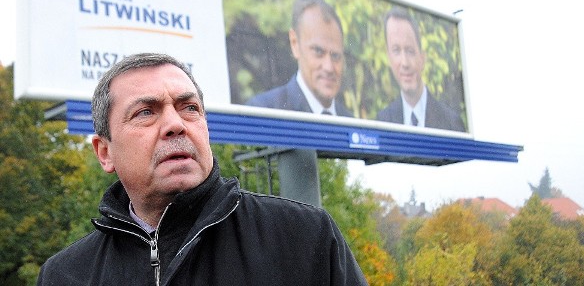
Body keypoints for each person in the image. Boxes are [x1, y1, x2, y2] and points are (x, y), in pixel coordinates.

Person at [37, 53, 367, 285]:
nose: (174, 124)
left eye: (189, 108)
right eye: (145, 112)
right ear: (105, 152)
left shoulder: (305, 236)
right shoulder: (65, 275)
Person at [247, 0, 352, 117]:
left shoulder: (353, 124)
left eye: (335, 56)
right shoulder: (264, 114)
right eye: (318, 51)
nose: (329, 67)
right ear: (295, 44)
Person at [377, 7, 466, 132]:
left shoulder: (452, 123)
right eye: (396, 50)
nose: (405, 63)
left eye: (410, 51)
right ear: (389, 58)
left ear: (422, 58)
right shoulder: (382, 121)